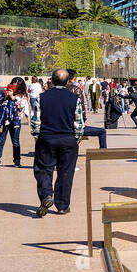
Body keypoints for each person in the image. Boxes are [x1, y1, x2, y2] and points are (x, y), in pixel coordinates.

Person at [31, 69, 84, 215]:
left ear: (52, 81)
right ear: (67, 82)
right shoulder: (74, 99)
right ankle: (62, 205)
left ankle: (46, 195)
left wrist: (39, 138)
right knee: (66, 173)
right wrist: (75, 140)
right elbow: (79, 124)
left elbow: (35, 122)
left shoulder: (41, 98)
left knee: (43, 169)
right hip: (68, 140)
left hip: (47, 138)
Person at [0, 77, 29, 168]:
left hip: (16, 122)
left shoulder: (22, 96)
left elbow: (22, 108)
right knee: (0, 141)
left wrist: (13, 98)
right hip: (4, 120)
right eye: (13, 84)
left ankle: (17, 160)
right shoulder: (5, 93)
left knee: (15, 142)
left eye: (16, 86)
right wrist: (4, 96)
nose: (14, 87)